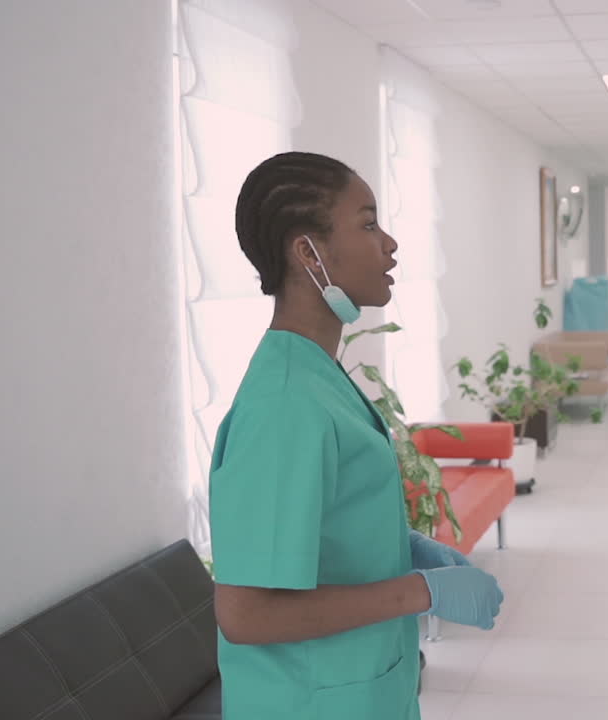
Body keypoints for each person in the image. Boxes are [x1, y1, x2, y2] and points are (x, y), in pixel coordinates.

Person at [208, 151, 504, 719]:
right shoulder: (285, 403)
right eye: (368, 224)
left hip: (358, 689)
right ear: (307, 252)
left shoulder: (318, 373)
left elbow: (326, 524)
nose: (389, 243)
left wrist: (402, 548)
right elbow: (246, 614)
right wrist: (423, 590)